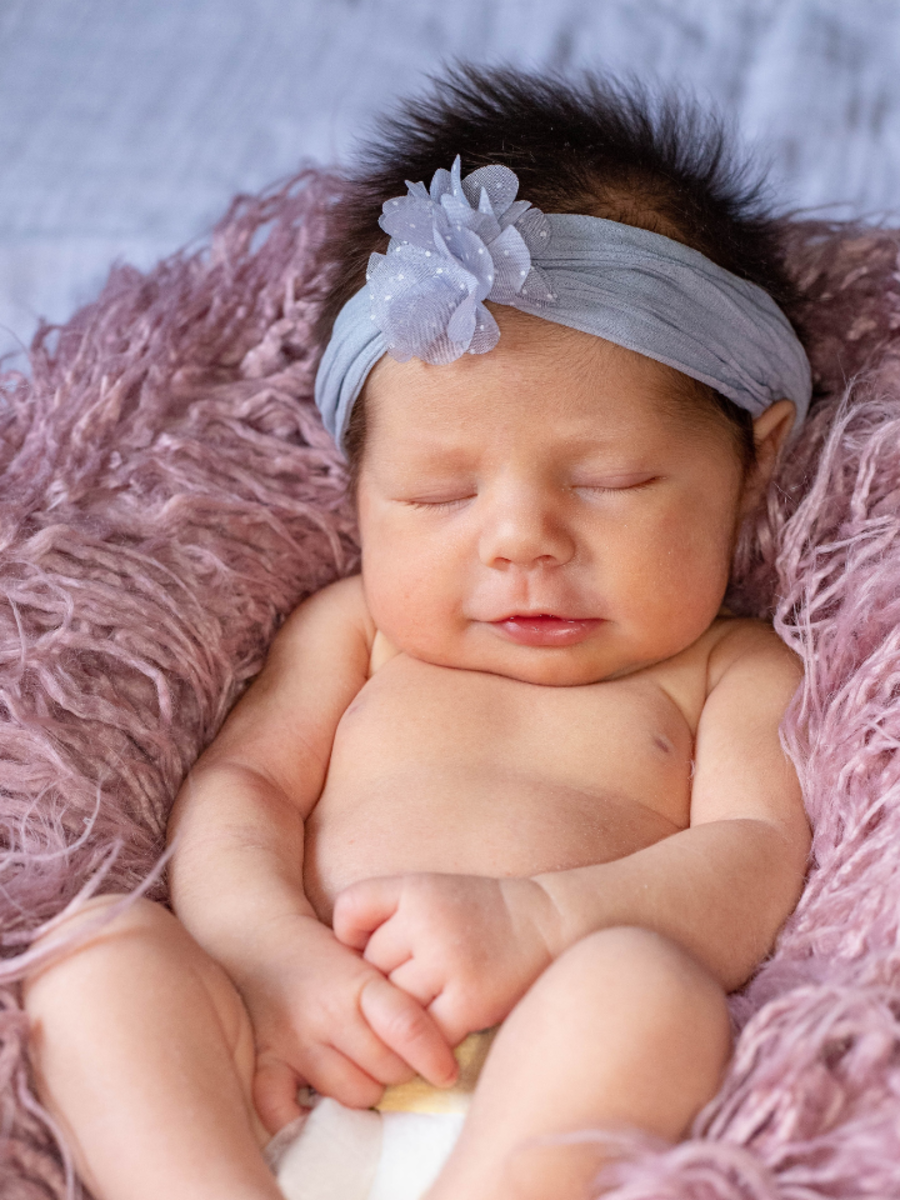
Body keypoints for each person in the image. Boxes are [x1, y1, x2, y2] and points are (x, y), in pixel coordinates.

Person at [23, 66, 812, 1200]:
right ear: (358, 486)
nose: (520, 544)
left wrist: (546, 921)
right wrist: (267, 957)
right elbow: (243, 791)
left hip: (527, 1097)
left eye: (610, 482)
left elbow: (751, 860)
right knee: (91, 957)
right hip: (280, 1076)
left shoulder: (725, 668)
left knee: (646, 993)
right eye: (440, 495)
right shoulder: (356, 633)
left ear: (755, 463)